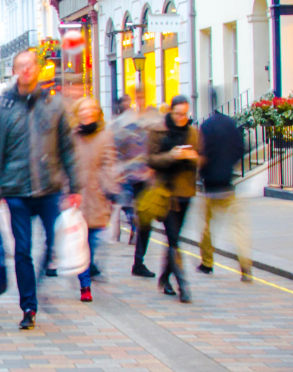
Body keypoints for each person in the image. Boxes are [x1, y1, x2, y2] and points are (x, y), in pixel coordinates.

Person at [0, 51, 80, 330]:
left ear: (38, 69)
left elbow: (68, 148)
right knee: (23, 250)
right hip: (16, 191)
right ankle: (29, 306)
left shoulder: (54, 104)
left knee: (55, 243)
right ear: (14, 70)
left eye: (30, 65)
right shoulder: (3, 107)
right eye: (21, 66)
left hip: (49, 187)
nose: (26, 70)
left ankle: (39, 282)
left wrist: (75, 186)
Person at [147, 94, 203, 304]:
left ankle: (164, 278)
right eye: (178, 114)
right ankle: (183, 285)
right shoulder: (158, 131)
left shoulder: (193, 133)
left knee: (174, 238)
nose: (182, 118)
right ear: (170, 111)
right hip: (166, 193)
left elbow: (201, 158)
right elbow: (151, 159)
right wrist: (172, 155)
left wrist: (193, 157)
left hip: (185, 193)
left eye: (185, 114)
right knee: (173, 238)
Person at [72, 98, 118, 303]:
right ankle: (85, 285)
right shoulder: (71, 137)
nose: (87, 112)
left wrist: (110, 189)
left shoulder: (105, 136)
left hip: (97, 196)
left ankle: (88, 269)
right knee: (81, 244)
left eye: (91, 109)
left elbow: (109, 164)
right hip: (77, 197)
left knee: (92, 241)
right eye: (84, 109)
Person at [198, 110, 251, 282]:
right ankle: (245, 265)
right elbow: (240, 148)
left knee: (207, 227)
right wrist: (229, 166)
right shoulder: (230, 125)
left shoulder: (205, 127)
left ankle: (207, 263)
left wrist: (203, 172)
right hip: (228, 184)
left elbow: (201, 153)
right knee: (238, 229)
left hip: (211, 186)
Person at [110, 95, 158, 278]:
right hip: (129, 179)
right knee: (127, 213)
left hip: (146, 179)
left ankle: (139, 261)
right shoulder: (124, 124)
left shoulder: (152, 121)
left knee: (144, 221)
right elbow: (115, 148)